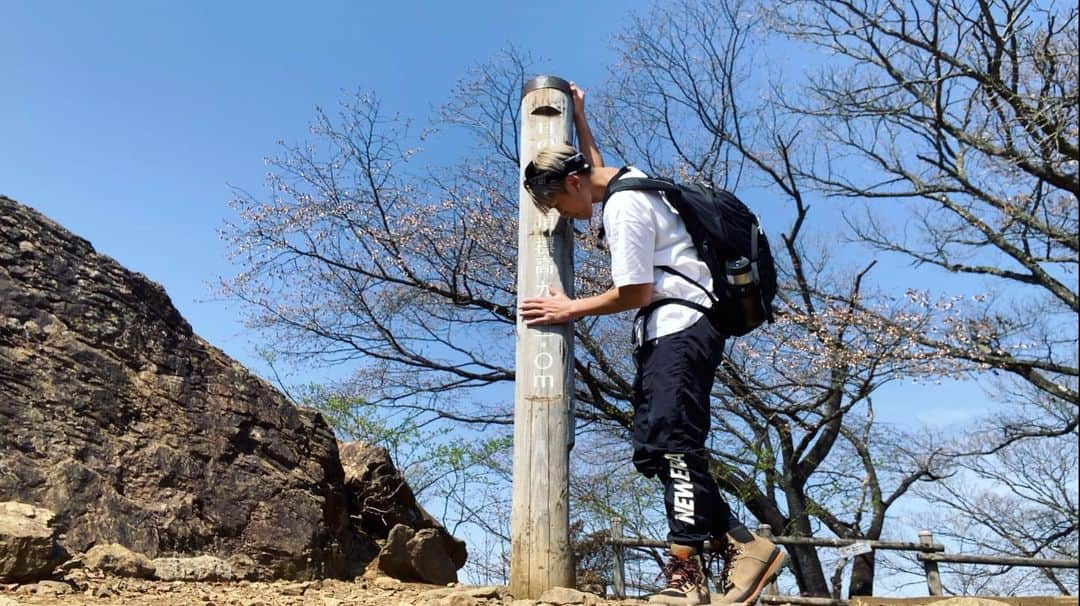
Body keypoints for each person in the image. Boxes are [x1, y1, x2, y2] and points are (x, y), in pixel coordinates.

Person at [518, 83, 787, 606]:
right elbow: (597, 168)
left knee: (677, 444)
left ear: (572, 182)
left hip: (680, 330)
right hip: (670, 334)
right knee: (653, 452)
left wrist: (567, 308)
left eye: (555, 201)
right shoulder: (628, 181)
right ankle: (744, 544)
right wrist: (581, 116)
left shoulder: (624, 209)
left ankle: (683, 570)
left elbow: (635, 291)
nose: (559, 213)